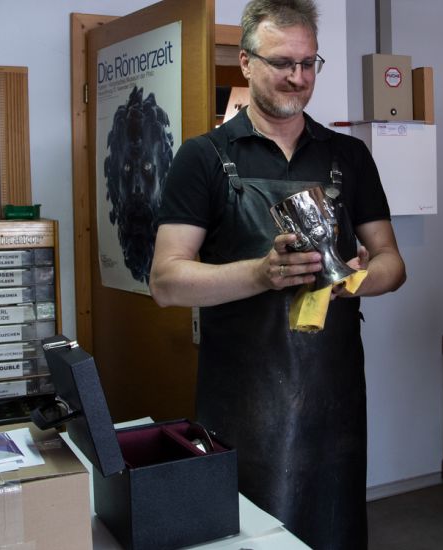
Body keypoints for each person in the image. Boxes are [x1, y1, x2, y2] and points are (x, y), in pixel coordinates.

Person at [148, 0, 406, 548]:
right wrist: (262, 274)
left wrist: (352, 281)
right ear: (246, 62)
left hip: (332, 389)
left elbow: (391, 262)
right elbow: (166, 282)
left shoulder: (349, 156)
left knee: (332, 527)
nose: (298, 77)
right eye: (282, 62)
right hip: (241, 391)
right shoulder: (203, 157)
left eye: (309, 63)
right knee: (247, 532)